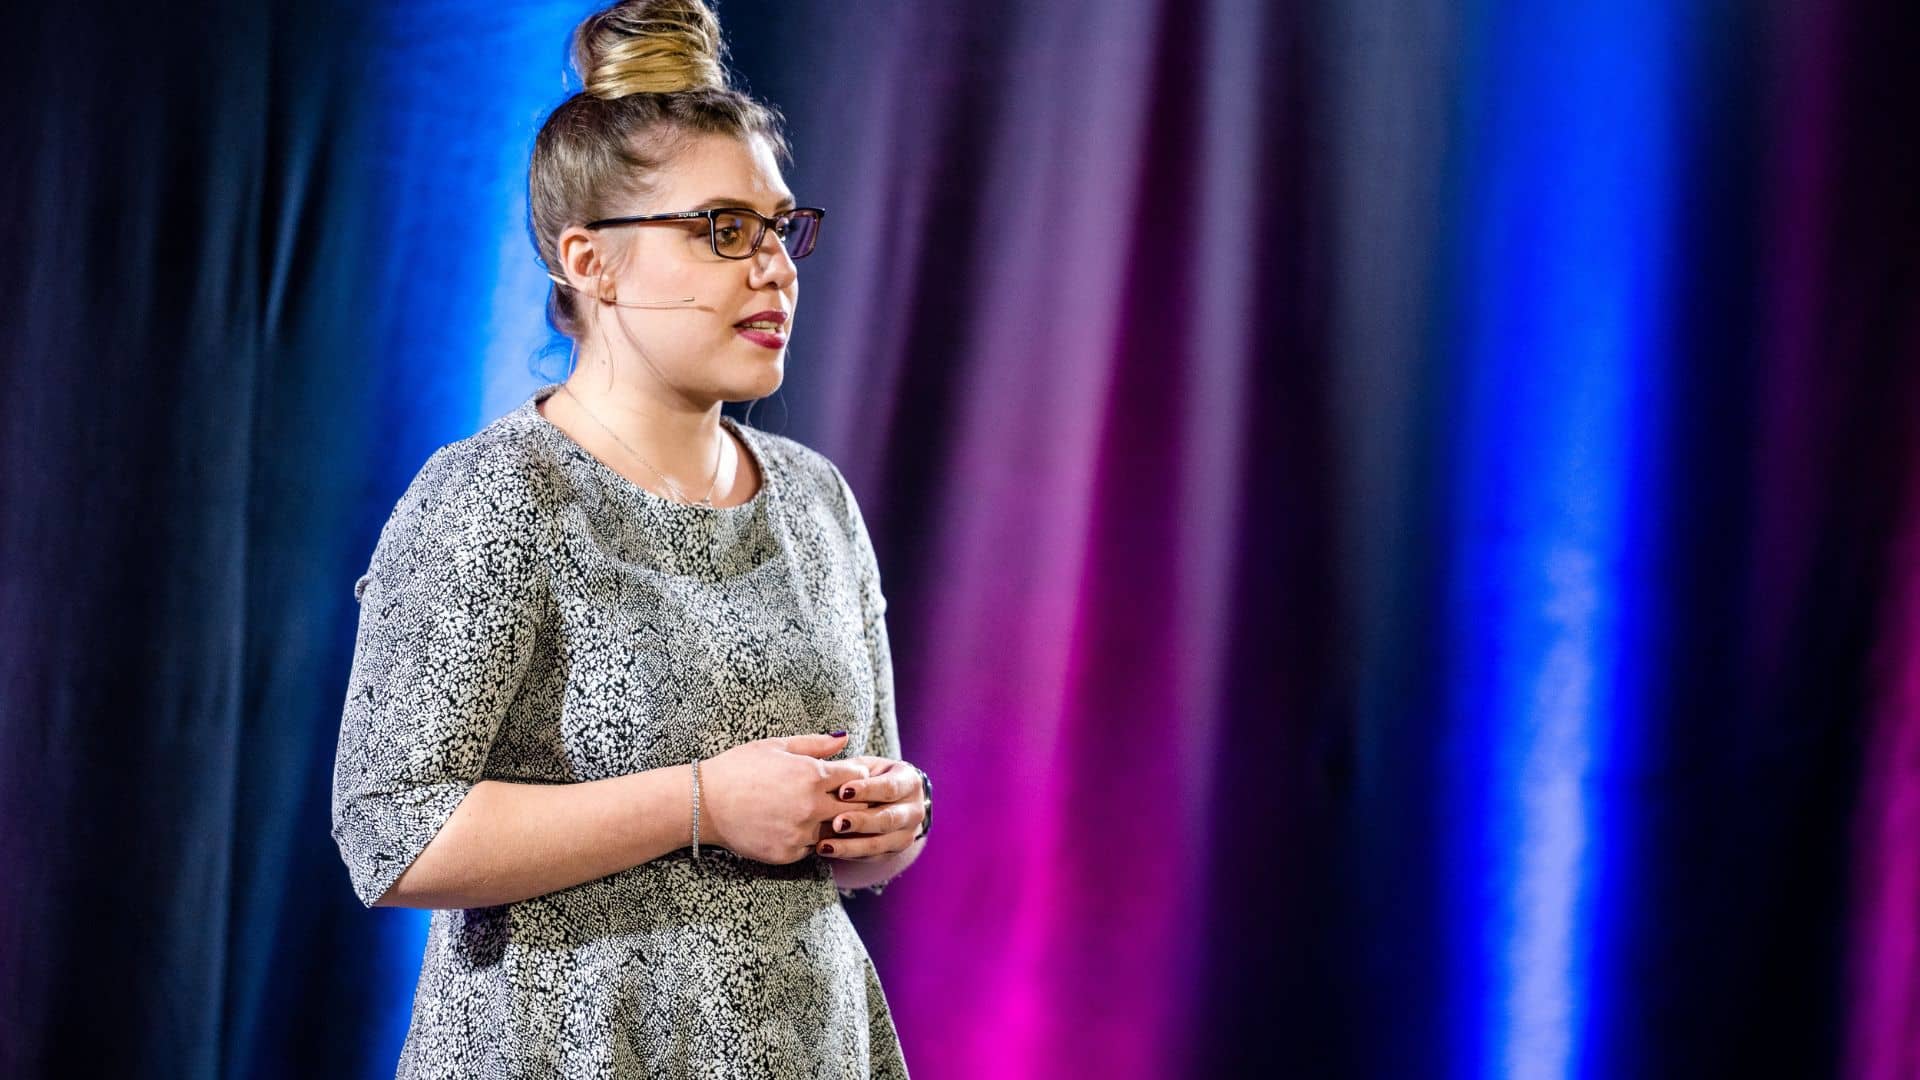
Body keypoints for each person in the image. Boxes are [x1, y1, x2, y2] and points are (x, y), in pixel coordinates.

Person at [328, 2, 928, 1075]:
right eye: (721, 230)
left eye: (781, 228)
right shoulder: (495, 496)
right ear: (588, 262)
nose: (777, 268)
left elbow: (841, 823)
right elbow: (391, 832)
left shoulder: (816, 501)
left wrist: (881, 824)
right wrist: (702, 804)